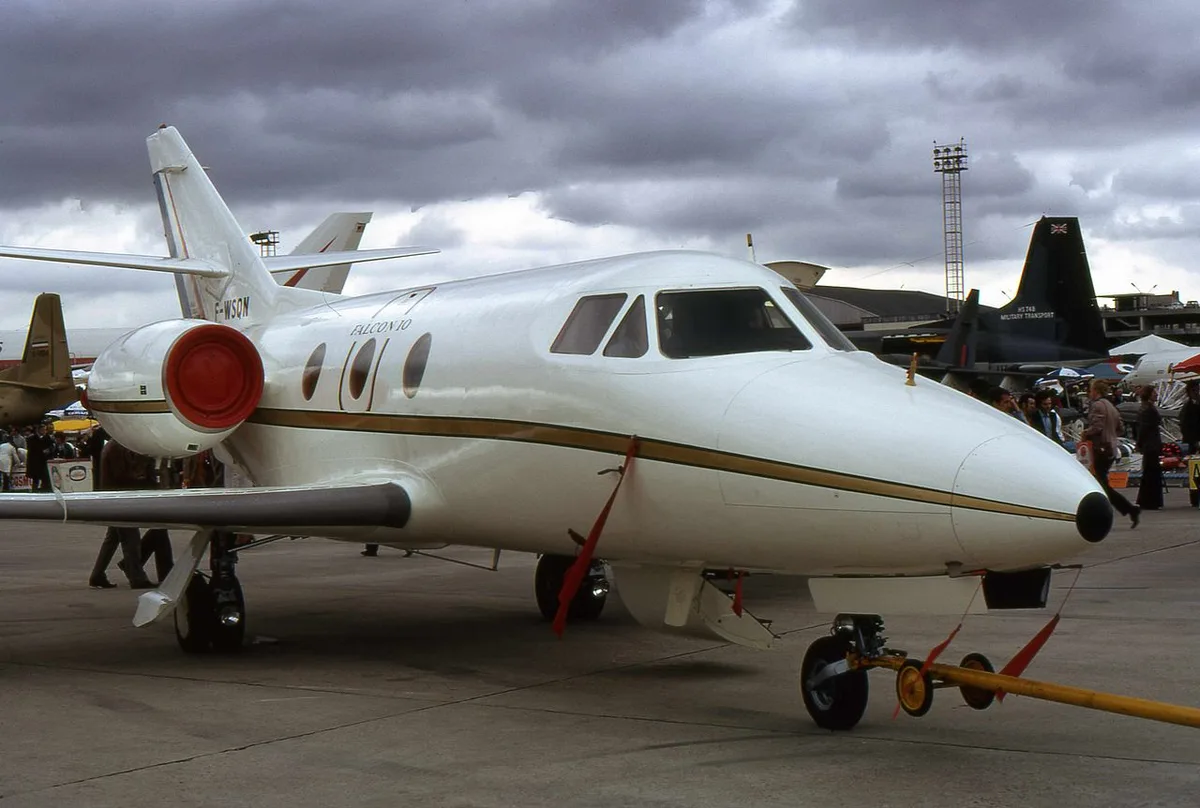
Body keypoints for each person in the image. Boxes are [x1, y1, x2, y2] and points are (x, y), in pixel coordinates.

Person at [88, 441, 157, 589]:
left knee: (113, 539)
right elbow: (122, 476)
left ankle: (97, 575)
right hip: (120, 500)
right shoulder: (117, 448)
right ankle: (137, 578)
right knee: (130, 539)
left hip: (115, 499)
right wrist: (142, 473)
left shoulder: (114, 446)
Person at [1084, 379, 1139, 528]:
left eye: (1091, 390)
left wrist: (1085, 433)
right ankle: (1128, 509)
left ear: (1096, 391)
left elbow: (1097, 427)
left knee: (1100, 483)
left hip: (1100, 448)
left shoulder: (1097, 405)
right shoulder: (1111, 406)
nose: (1090, 393)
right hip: (1112, 448)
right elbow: (1120, 428)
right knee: (1101, 482)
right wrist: (1112, 435)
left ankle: (1127, 509)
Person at [1135, 386, 1164, 510]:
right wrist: (1140, 443)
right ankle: (1151, 500)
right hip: (1151, 444)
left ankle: (1147, 499)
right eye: (1154, 393)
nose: (1156, 394)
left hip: (1149, 444)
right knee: (1152, 472)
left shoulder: (1146, 408)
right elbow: (1144, 429)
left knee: (1149, 472)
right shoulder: (1149, 410)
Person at [24, 423, 52, 492]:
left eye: (45, 430)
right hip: (35, 461)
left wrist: (49, 450)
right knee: (35, 478)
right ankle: (35, 490)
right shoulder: (31, 439)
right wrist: (42, 451)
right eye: (43, 430)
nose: (44, 431)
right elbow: (31, 450)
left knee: (45, 477)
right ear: (38, 430)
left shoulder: (48, 438)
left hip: (44, 461)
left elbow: (51, 447)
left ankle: (45, 490)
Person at [1180, 381, 1200, 455]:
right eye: (1195, 390)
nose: (1197, 393)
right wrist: (1193, 441)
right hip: (1194, 440)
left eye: (1198, 390)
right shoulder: (1187, 407)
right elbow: (1184, 425)